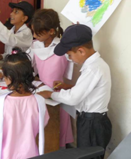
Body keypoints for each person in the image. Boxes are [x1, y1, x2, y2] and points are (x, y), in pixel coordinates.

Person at [38, 24, 112, 158]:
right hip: (91, 121)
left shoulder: (93, 69)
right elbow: (89, 91)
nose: (70, 59)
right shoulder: (94, 66)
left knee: (88, 156)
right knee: (85, 154)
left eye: (70, 55)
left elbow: (73, 98)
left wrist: (50, 94)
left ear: (81, 51)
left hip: (93, 124)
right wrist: (68, 87)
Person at [0, 47, 49, 159]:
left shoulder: (0, 104)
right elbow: (43, 122)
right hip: (31, 154)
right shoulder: (39, 101)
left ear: (8, 78)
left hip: (5, 156)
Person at [26, 8, 74, 148]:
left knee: (57, 127)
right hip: (41, 90)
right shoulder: (35, 45)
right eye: (33, 32)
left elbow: (71, 75)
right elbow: (29, 65)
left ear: (51, 31)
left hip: (58, 91)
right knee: (43, 127)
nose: (34, 36)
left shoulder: (63, 47)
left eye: (38, 33)